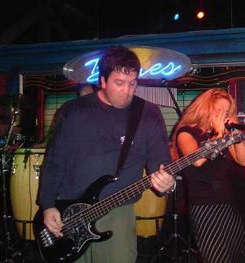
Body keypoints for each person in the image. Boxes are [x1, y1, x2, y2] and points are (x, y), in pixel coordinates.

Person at [38, 46, 176, 263]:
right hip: (68, 212)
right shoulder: (73, 111)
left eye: (132, 84)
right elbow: (55, 162)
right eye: (119, 83)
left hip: (117, 211)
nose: (127, 91)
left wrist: (168, 182)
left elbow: (161, 162)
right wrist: (47, 205)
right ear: (102, 81)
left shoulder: (147, 113)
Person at [171, 88, 245, 263]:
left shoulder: (223, 135)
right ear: (206, 108)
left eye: (226, 111)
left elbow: (243, 161)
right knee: (217, 258)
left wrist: (236, 136)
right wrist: (219, 135)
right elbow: (197, 160)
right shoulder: (186, 132)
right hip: (204, 206)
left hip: (227, 203)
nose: (223, 114)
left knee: (238, 257)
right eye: (219, 109)